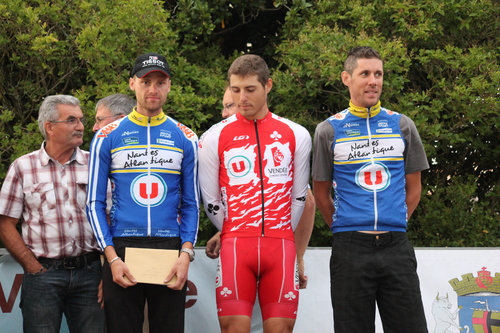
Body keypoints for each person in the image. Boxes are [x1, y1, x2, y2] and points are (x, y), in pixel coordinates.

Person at [312, 46, 429, 333]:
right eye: (364, 73)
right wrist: (346, 228)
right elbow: (321, 194)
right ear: (346, 78)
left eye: (378, 74)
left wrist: (395, 222)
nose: (373, 81)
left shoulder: (402, 125)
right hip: (350, 249)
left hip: (396, 247)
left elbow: (414, 190)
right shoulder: (328, 130)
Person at [86, 53, 199, 333]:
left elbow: (191, 203)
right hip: (123, 248)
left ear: (169, 86)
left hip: (169, 248)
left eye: (160, 82)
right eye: (146, 81)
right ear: (132, 83)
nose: (153, 89)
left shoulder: (186, 137)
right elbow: (94, 203)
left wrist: (186, 254)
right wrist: (111, 256)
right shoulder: (106, 136)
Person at [198, 54, 312, 333]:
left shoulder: (296, 134)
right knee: (233, 329)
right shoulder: (213, 136)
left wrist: (282, 232)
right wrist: (232, 229)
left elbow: (299, 196)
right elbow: (210, 200)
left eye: (250, 89)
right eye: (235, 90)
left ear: (268, 85)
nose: (242, 98)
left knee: (281, 329)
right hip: (236, 243)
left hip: (281, 243)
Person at [0, 95, 104, 333]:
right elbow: (5, 223)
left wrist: (107, 271)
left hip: (90, 272)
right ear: (49, 127)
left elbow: (111, 219)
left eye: (80, 119)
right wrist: (32, 266)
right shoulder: (23, 167)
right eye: (71, 120)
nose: (80, 126)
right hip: (43, 275)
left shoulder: (96, 164)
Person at [205, 87, 316, 289]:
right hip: (242, 255)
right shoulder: (219, 140)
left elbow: (307, 202)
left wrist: (296, 257)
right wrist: (224, 233)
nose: (223, 113)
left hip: (275, 256)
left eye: (229, 106)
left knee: (276, 320)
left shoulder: (277, 141)